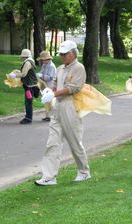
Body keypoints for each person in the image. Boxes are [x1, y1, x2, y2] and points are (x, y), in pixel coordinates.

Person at [35, 40, 91, 186]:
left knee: (74, 142)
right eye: (61, 54)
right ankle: (49, 176)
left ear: (73, 54)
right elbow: (54, 85)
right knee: (52, 142)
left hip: (71, 107)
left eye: (65, 54)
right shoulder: (60, 68)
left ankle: (84, 172)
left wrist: (53, 94)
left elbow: (73, 88)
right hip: (57, 107)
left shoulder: (79, 68)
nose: (62, 56)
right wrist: (49, 91)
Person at [9, 49, 39, 124]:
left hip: (30, 86)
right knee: (28, 102)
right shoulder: (30, 61)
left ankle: (28, 118)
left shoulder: (27, 63)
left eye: (22, 57)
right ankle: (28, 117)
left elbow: (23, 74)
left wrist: (14, 75)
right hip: (31, 85)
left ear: (24, 57)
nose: (21, 58)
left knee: (28, 102)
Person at [36, 51, 57, 122]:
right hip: (45, 85)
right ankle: (47, 116)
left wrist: (41, 75)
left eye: (42, 60)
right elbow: (41, 72)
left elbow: (50, 77)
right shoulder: (44, 65)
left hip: (50, 84)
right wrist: (39, 74)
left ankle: (51, 116)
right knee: (46, 100)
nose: (41, 61)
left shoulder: (51, 66)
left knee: (50, 100)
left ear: (47, 59)